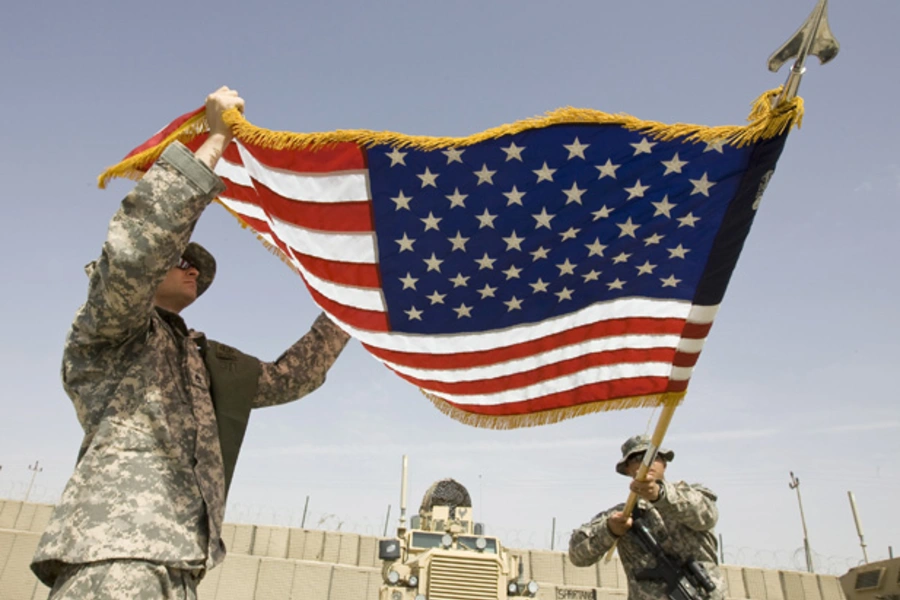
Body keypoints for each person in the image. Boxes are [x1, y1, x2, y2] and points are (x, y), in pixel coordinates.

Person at [30, 87, 351, 599]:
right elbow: (138, 247)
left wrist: (350, 300)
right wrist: (215, 140)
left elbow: (293, 376)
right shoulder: (109, 329)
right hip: (116, 556)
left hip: (181, 565)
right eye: (180, 257)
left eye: (196, 267)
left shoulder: (202, 361)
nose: (190, 269)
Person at [568, 435, 725, 600]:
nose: (646, 462)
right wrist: (609, 530)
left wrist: (661, 495)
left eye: (653, 456)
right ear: (627, 469)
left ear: (664, 463)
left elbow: (707, 516)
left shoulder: (689, 496)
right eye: (637, 458)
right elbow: (577, 555)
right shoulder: (623, 514)